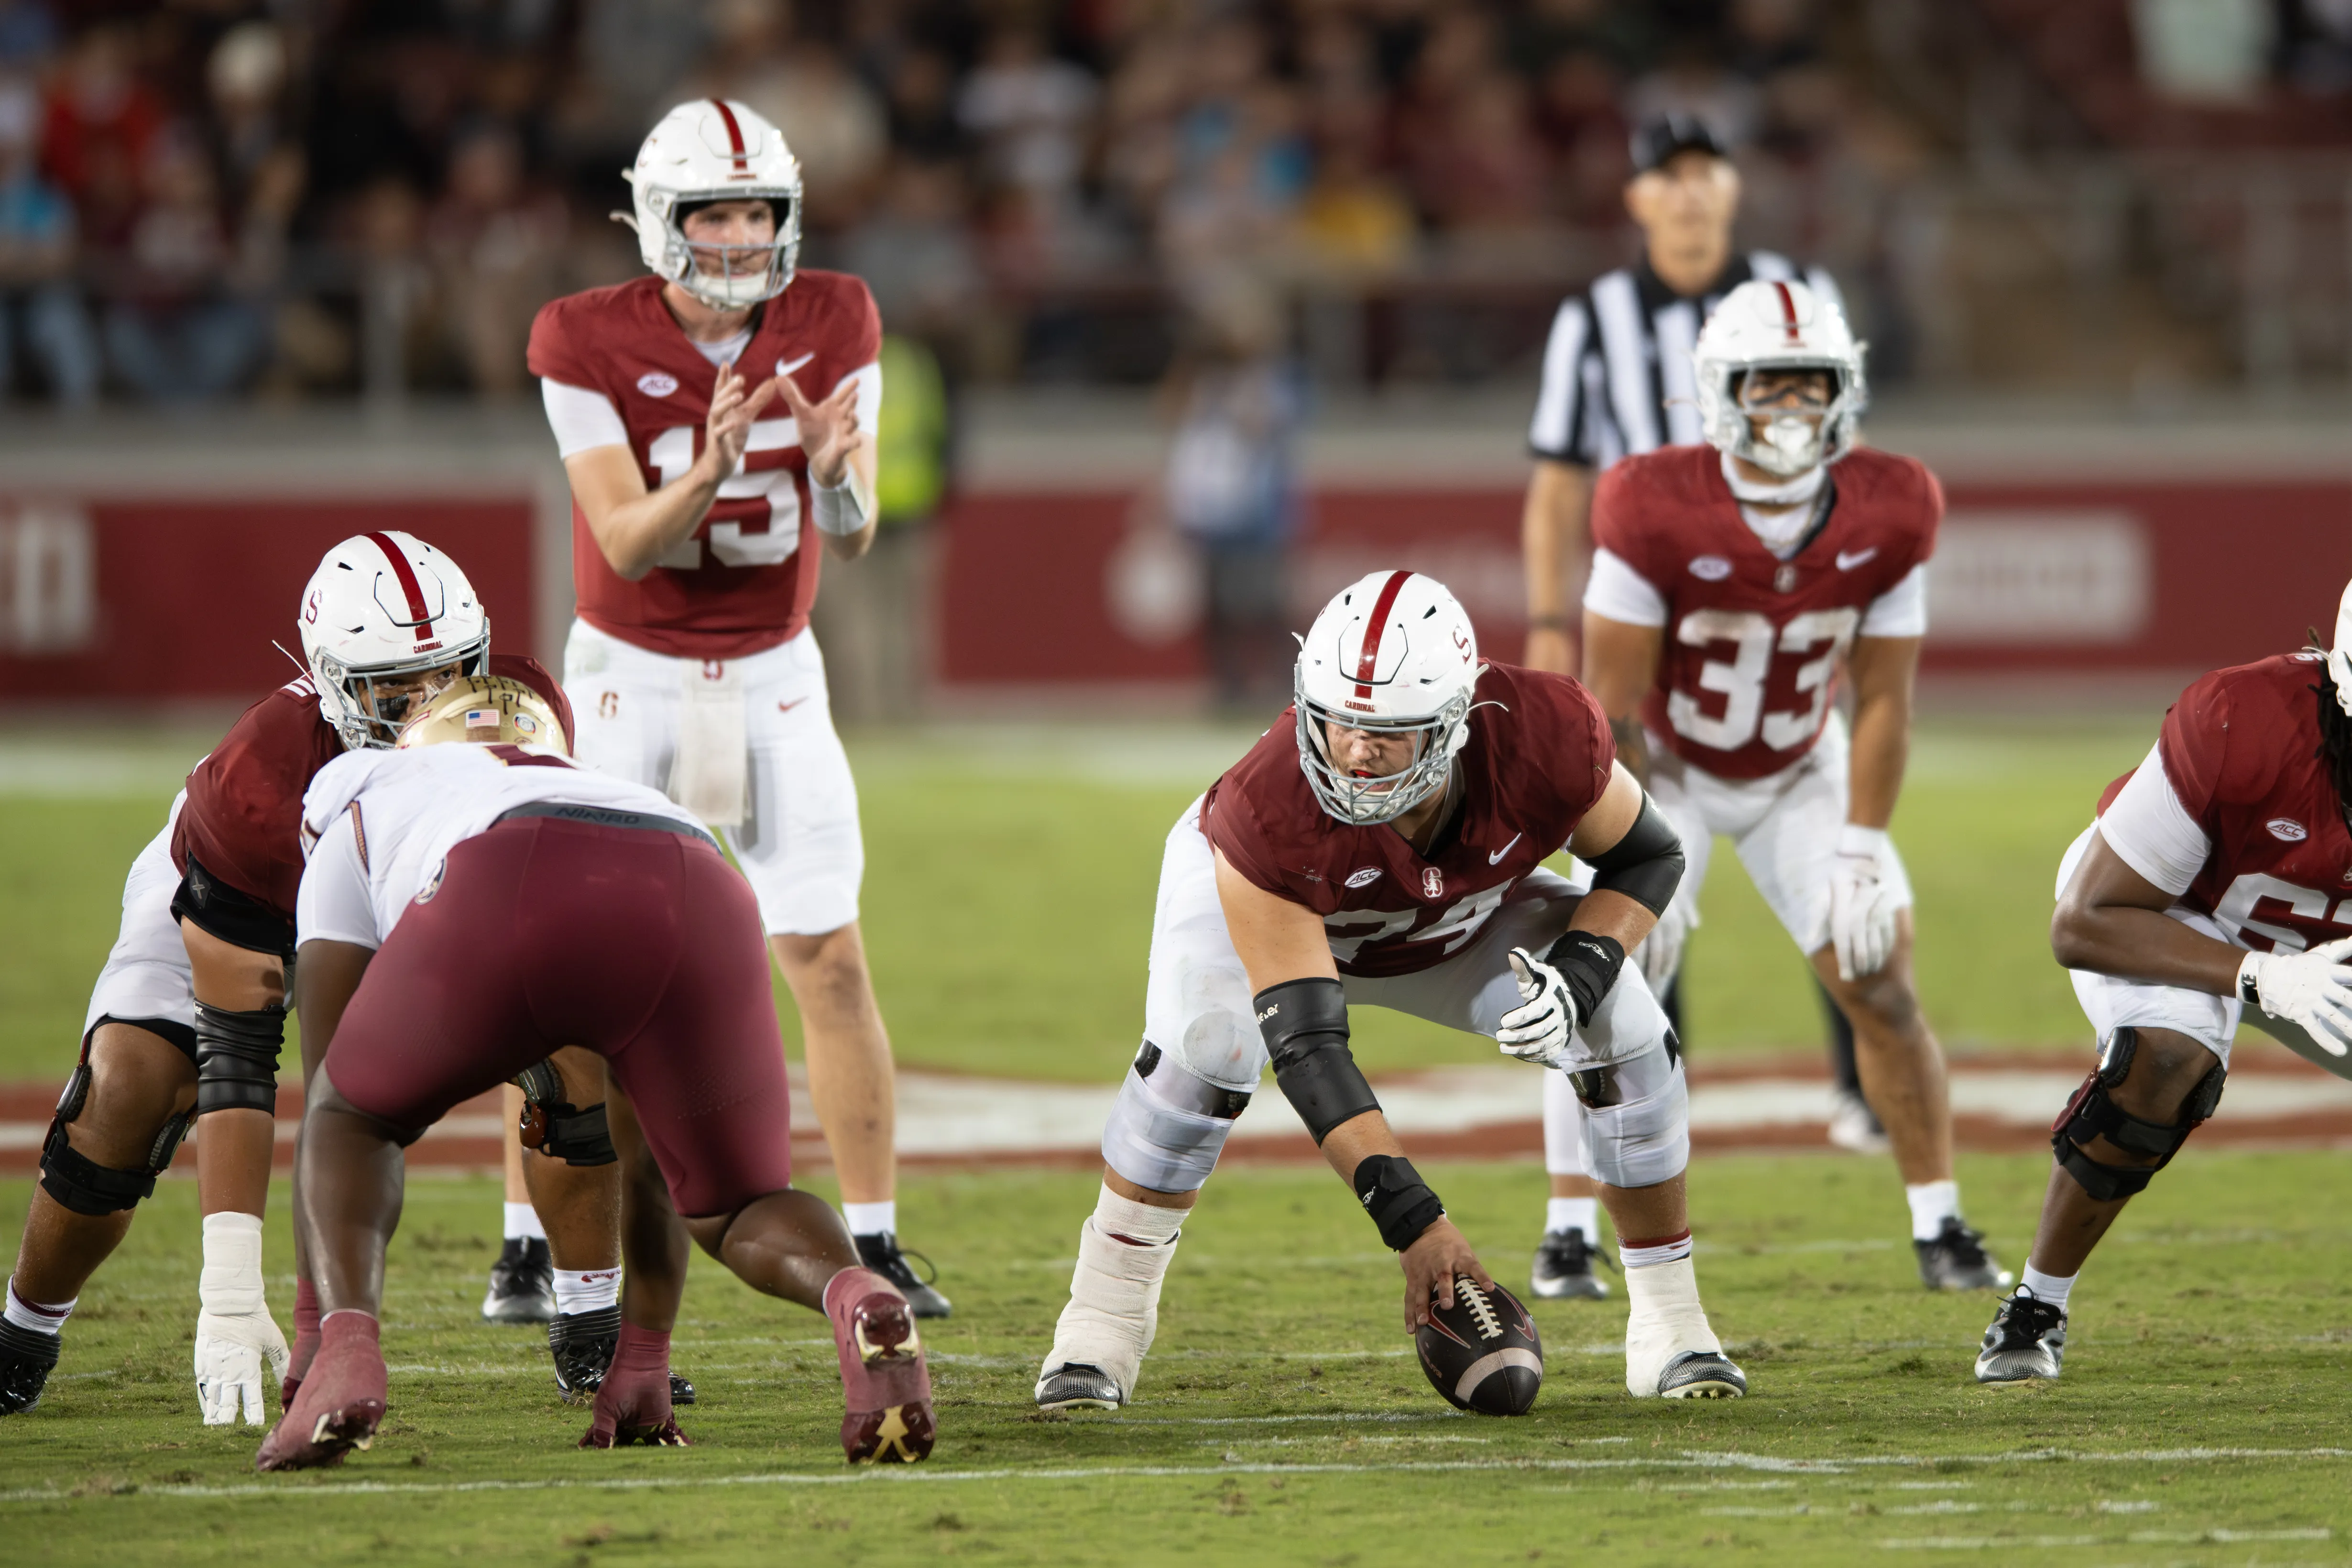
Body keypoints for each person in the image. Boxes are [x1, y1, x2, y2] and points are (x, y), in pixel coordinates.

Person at [1034, 571, 1745, 1412]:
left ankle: (1672, 1324)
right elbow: (1306, 1049)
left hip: (1461, 918)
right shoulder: (1270, 806)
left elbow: (1647, 856)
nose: (1353, 750)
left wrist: (1581, 975)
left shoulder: (1543, 734)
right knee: (1205, 1055)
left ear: (1454, 724)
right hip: (1292, 918)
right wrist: (1416, 1223)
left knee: (1628, 1034)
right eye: (1333, 721)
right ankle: (1099, 1326)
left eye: (1387, 732)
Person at [0, 533, 611, 1422]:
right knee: (131, 1085)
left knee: (569, 1046)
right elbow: (240, 1059)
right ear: (332, 682)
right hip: (251, 906)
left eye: (451, 674)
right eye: (399, 689)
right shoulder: (255, 788)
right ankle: (22, 1331)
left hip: (411, 894)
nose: (430, 707)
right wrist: (231, 1291)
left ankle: (596, 1336)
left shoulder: (520, 713)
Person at [259, 676, 933, 1469]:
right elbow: (642, 1150)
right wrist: (643, 1353)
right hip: (695, 880)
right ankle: (855, 1292)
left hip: (504, 872)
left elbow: (338, 1079)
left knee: (351, 1116)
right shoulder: (601, 779)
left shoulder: (371, 786)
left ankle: (349, 1350)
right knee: (736, 1203)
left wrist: (317, 1334)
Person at [527, 98, 947, 1317]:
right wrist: (705, 474)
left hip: (773, 665)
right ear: (659, 220)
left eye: (756, 207)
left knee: (827, 952)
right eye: (712, 209)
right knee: (576, 976)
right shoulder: (580, 336)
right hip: (627, 666)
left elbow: (856, 535)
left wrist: (828, 471)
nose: (737, 232)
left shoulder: (834, 314)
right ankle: (541, 1244)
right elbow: (622, 539)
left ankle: (872, 1235)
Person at [1577, 278, 2004, 1293]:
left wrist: (1859, 844)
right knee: (1602, 986)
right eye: (1767, 385)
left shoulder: (1892, 505)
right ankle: (1573, 1230)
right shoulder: (1648, 501)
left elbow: (1883, 702)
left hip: (1795, 769)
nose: (1791, 407)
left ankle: (1939, 1223)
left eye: (1810, 385)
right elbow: (1612, 706)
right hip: (1667, 771)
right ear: (1720, 392)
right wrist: (1621, 853)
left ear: (1842, 389)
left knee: (1880, 982)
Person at [1518, 111, 1873, 1302]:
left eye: (1703, 172)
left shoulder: (1799, 293)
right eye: (1663, 177)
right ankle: (1628, 1124)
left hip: (1761, 624)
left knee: (1835, 863)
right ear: (1635, 200)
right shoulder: (1593, 319)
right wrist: (1547, 619)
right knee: (1632, 874)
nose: (1685, 194)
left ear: (1730, 186)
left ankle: (1860, 1089)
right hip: (1642, 625)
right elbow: (1557, 478)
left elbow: (1848, 463)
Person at [1975, 592, 2352, 1382]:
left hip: (2327, 952)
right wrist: (2259, 974)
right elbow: (2086, 920)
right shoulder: (2239, 719)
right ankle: (2036, 1305)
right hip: (2178, 912)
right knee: (2166, 1061)